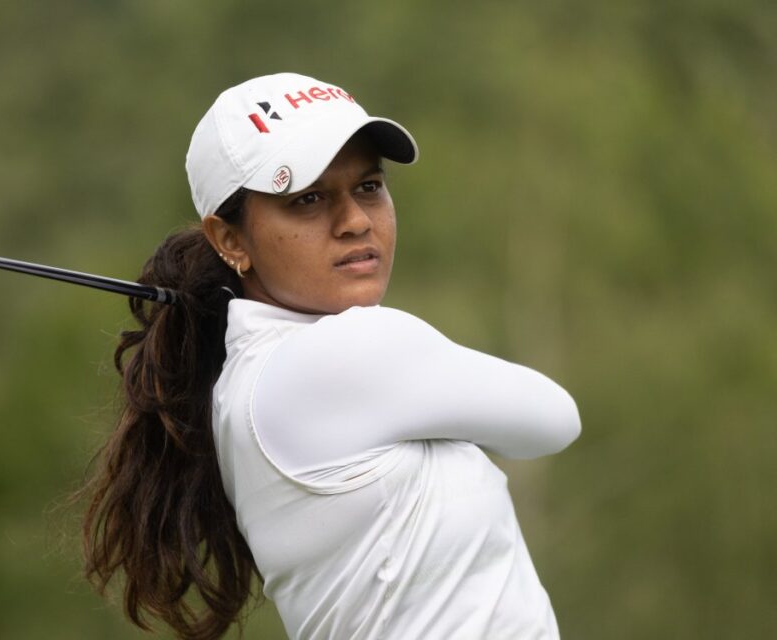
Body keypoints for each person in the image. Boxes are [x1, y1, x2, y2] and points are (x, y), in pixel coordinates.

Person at [80, 72, 581, 640]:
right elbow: (554, 419)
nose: (356, 221)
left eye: (369, 186)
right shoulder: (344, 353)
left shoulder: (249, 379)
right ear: (230, 240)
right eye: (308, 199)